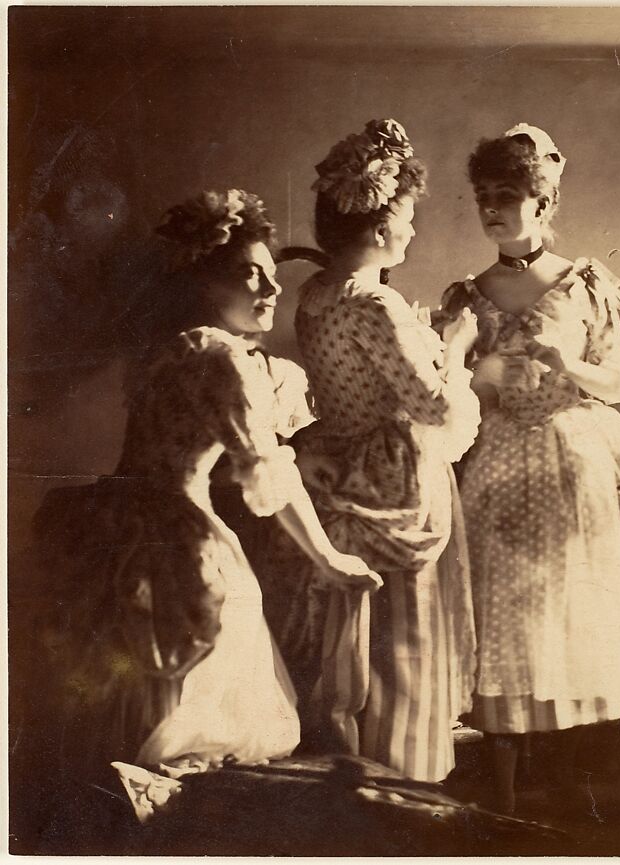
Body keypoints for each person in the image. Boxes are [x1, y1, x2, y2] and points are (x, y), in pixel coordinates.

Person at [32, 189, 382, 782]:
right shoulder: (223, 359)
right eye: (253, 277)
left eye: (273, 276)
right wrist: (327, 559)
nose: (271, 291)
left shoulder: (170, 350)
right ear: (206, 285)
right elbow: (268, 474)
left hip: (122, 524)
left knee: (139, 705)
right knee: (202, 722)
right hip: (178, 538)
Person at [441, 123, 620, 815]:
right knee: (504, 619)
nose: (492, 209)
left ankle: (566, 783)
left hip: (570, 460)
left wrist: (573, 366)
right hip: (501, 463)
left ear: (544, 199)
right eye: (483, 197)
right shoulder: (467, 295)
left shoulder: (582, 283)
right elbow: (449, 387)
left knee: (568, 621)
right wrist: (480, 371)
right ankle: (501, 796)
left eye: (506, 194)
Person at [265, 119, 481, 784]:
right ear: (382, 226)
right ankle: (402, 776)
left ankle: (356, 774)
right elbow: (437, 406)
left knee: (360, 623)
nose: (413, 231)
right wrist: (456, 343)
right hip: (395, 471)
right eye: (408, 218)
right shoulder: (376, 300)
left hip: (343, 459)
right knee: (405, 631)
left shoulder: (315, 294)